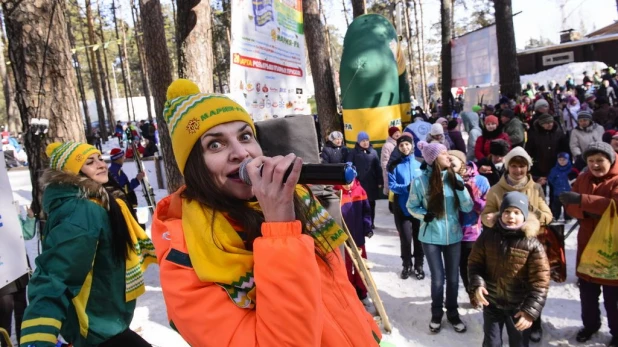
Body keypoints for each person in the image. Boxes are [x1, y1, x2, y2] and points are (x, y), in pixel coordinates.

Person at [150, 79, 382, 346]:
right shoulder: (183, 256)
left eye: (245, 136)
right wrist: (281, 232)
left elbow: (337, 292)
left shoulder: (299, 200)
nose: (241, 153)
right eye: (215, 145)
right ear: (193, 167)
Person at [20, 141, 155, 347]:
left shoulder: (96, 201)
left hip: (106, 323)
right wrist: (36, 340)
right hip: (96, 329)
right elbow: (56, 274)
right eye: (89, 162)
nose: (101, 164)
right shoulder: (82, 211)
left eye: (100, 158)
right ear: (72, 173)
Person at [481, 146, 553, 342]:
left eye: (522, 166)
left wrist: (528, 217)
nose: (518, 170)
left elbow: (548, 215)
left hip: (529, 246)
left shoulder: (535, 189)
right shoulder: (496, 190)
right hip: (503, 246)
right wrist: (496, 217)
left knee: (531, 287)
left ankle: (534, 322)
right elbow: (485, 217)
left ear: (527, 167)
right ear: (507, 166)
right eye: (514, 165)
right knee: (507, 286)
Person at [407, 141, 473, 334]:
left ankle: (452, 313)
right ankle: (437, 314)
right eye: (444, 153)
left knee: (453, 279)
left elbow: (468, 208)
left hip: (453, 236)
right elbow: (412, 206)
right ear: (434, 158)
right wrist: (423, 215)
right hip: (430, 237)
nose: (448, 156)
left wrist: (461, 187)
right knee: (438, 278)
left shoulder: (454, 179)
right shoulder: (420, 181)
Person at [469, 192, 550, 347]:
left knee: (519, 343)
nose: (511, 216)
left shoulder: (532, 244)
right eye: (507, 211)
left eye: (517, 212)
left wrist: (530, 311)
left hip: (519, 306)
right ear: (501, 213)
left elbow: (541, 282)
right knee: (491, 343)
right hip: (492, 303)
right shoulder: (488, 237)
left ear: (524, 216)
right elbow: (475, 264)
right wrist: (478, 285)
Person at [561, 142, 618, 346]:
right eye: (591, 161)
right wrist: (586, 210)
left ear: (610, 160)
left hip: (612, 246)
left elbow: (615, 205)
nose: (595, 165)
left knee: (613, 295)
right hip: (587, 242)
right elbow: (570, 205)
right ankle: (590, 324)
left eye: (599, 161)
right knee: (587, 289)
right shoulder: (583, 178)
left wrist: (583, 201)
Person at [449, 153, 489, 303]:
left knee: (476, 265)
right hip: (453, 231)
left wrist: (473, 195)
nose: (449, 163)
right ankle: (472, 293)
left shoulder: (480, 180)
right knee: (463, 266)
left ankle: (482, 292)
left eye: (452, 159)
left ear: (462, 161)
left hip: (473, 231)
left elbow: (487, 207)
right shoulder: (447, 179)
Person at [388, 134, 424, 280]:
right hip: (402, 207)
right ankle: (406, 265)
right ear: (398, 147)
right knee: (406, 239)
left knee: (419, 239)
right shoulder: (394, 166)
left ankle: (419, 265)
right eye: (401, 145)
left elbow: (426, 183)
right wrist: (407, 188)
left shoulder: (421, 164)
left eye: (407, 144)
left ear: (412, 145)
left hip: (419, 208)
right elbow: (392, 186)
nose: (405, 147)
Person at [0, 206, 35, 347]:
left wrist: (30, 218)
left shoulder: (8, 208)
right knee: (5, 311)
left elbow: (26, 234)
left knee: (22, 309)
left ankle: (23, 343)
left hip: (18, 266)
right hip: (3, 270)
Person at [335, 178, 373, 305]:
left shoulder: (360, 191)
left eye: (349, 182)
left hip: (358, 237)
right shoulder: (336, 193)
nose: (347, 185)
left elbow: (366, 212)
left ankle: (362, 292)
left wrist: (367, 227)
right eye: (344, 182)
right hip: (344, 240)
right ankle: (349, 291)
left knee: (361, 266)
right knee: (345, 266)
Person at [347, 131, 383, 229]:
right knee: (360, 204)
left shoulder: (373, 152)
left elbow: (378, 168)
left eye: (367, 140)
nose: (365, 142)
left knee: (371, 203)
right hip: (359, 183)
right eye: (363, 141)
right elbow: (349, 167)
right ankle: (361, 222)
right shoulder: (353, 153)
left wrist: (380, 181)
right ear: (358, 142)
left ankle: (371, 222)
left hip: (371, 182)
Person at [547, 152, 578, 222]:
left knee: (567, 206)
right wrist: (556, 184)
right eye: (560, 160)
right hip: (557, 192)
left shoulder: (572, 169)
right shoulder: (554, 170)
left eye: (564, 160)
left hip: (568, 192)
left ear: (568, 160)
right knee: (556, 206)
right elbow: (550, 179)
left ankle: (568, 218)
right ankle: (555, 216)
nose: (562, 161)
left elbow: (576, 178)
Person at [381, 126, 401, 195]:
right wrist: (388, 172)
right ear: (391, 134)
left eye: (398, 132)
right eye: (395, 133)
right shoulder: (387, 146)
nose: (398, 134)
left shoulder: (401, 144)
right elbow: (384, 161)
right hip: (391, 173)